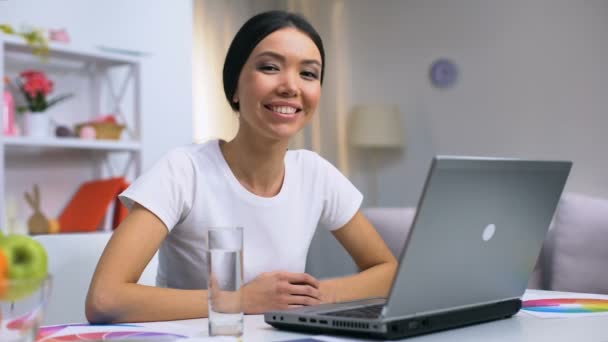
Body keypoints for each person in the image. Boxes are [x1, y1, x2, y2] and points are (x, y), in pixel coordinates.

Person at [85, 10, 397, 323]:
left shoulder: (315, 173)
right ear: (235, 86)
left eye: (308, 74)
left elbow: (388, 272)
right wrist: (239, 299)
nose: (291, 86)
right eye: (270, 67)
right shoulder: (184, 171)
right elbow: (105, 299)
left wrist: (316, 295)